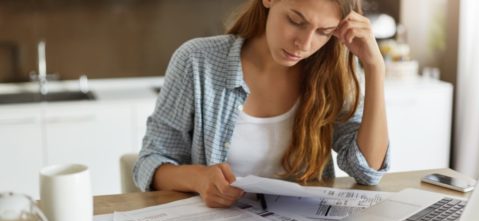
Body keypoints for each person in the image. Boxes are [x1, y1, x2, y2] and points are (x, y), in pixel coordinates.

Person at [133, 0, 390, 208]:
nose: (305, 43)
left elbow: (367, 171)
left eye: (324, 32)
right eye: (296, 21)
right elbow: (149, 163)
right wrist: (200, 179)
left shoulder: (331, 74)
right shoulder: (197, 61)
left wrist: (374, 66)